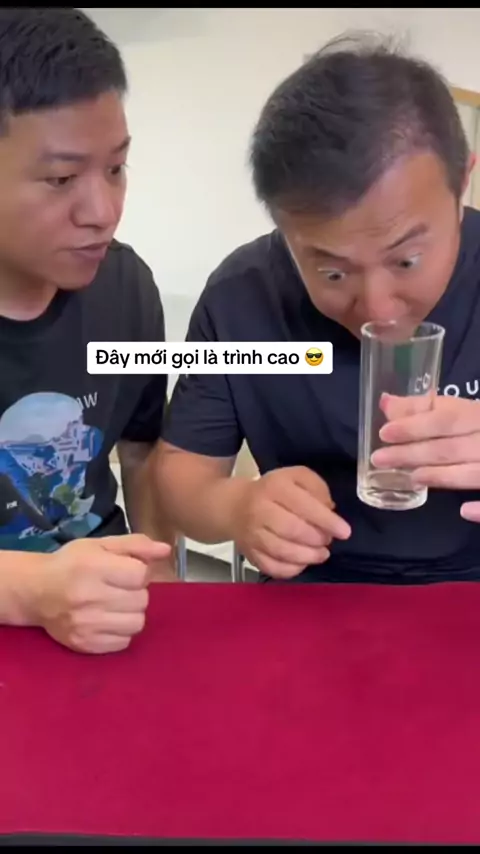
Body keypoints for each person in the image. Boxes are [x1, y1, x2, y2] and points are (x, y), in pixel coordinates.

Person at [157, 33, 480, 585]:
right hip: (313, 587)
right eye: (333, 273)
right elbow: (182, 473)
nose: (377, 307)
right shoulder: (243, 299)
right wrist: (238, 507)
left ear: (463, 183)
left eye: (406, 260)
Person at [0, 8, 174, 654]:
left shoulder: (126, 289)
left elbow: (141, 448)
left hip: (107, 620)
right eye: (62, 179)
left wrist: (161, 570)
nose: (103, 212)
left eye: (116, 169)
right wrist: (30, 589)